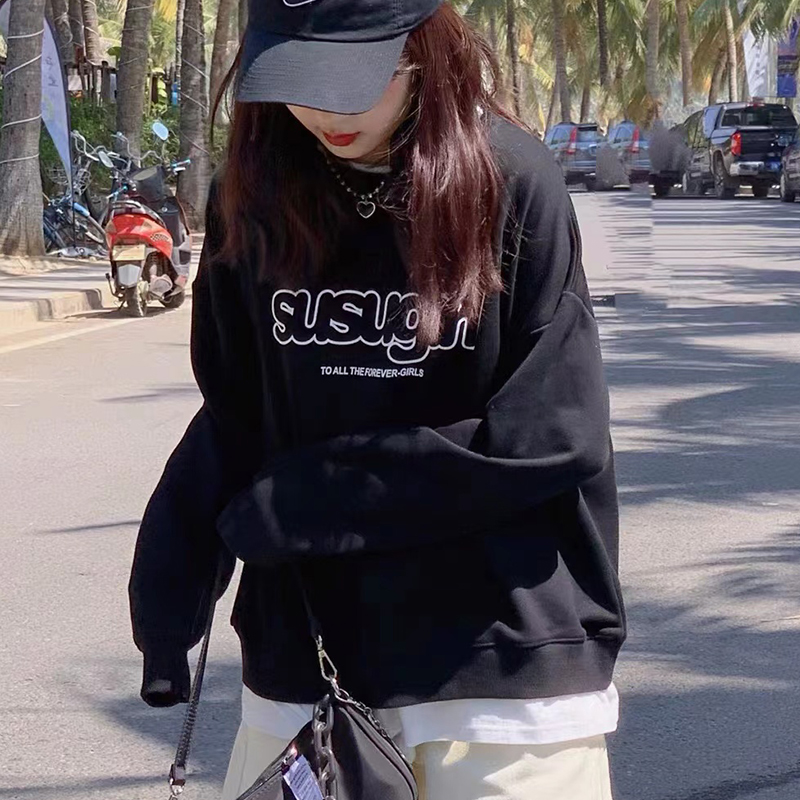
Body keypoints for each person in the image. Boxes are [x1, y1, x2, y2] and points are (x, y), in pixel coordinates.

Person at [128, 2, 625, 799]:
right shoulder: (251, 198)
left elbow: (553, 433)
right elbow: (236, 418)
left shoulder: (510, 181)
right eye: (298, 79)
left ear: (424, 47)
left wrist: (323, 496)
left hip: (502, 667)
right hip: (308, 660)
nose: (326, 110)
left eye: (357, 78)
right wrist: (170, 589)